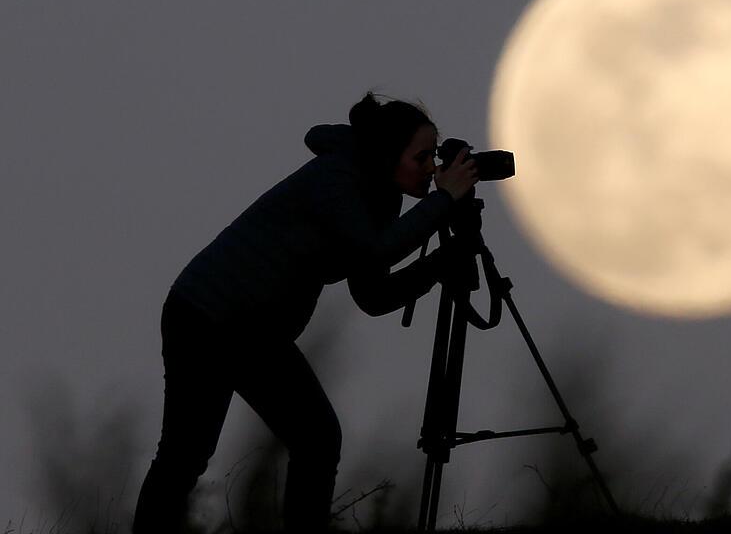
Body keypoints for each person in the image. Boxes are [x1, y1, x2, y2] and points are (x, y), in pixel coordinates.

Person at [132, 93, 479, 533]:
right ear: (389, 152)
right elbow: (376, 248)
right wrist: (443, 201)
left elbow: (373, 296)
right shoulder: (337, 178)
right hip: (207, 315)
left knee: (314, 439)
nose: (432, 168)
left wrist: (436, 266)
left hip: (253, 332)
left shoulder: (379, 196)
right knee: (186, 455)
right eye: (423, 156)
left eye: (434, 156)